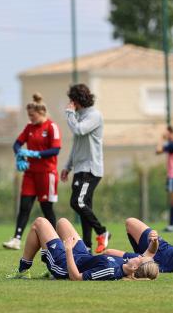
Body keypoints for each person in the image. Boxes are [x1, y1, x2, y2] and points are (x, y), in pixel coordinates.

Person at [6, 217, 159, 281]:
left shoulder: (111, 270)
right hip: (81, 255)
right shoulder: (128, 264)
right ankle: (49, 262)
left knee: (39, 223)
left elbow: (76, 277)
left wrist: (67, 250)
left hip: (65, 263)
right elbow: (150, 253)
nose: (140, 255)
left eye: (140, 258)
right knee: (63, 222)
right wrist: (154, 240)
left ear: (134, 267)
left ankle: (23, 270)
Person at [3, 93, 61, 250]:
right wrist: (19, 156)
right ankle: (16, 239)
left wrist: (36, 154)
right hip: (30, 173)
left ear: (41, 112)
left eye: (32, 115)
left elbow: (55, 150)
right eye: (29, 115)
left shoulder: (51, 127)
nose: (31, 118)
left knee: (46, 208)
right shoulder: (29, 127)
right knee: (24, 206)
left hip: (47, 173)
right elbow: (17, 144)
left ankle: (55, 240)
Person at [60, 84, 110, 254]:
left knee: (77, 202)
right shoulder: (79, 116)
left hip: (91, 168)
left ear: (77, 100)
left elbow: (79, 130)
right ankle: (87, 246)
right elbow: (77, 143)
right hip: (80, 168)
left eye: (72, 100)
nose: (70, 104)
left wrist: (69, 113)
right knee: (84, 207)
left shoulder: (94, 115)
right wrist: (68, 166)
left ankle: (102, 231)